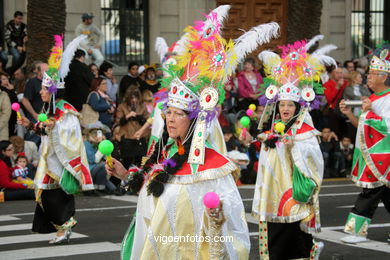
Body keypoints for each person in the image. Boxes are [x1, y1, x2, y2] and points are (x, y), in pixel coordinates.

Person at [106, 5, 280, 259]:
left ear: (194, 120)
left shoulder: (212, 169)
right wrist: (125, 175)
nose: (170, 119)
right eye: (169, 113)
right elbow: (154, 196)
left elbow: (232, 225)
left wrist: (216, 219)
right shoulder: (166, 153)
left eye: (178, 114)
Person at [252, 36, 336, 259]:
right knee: (276, 237)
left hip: (292, 195)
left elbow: (314, 158)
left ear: (298, 106)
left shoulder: (304, 130)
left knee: (293, 236)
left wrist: (293, 147)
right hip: (273, 193)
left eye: (290, 104)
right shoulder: (274, 128)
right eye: (282, 104)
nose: (285, 108)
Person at [18, 35, 94, 244]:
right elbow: (47, 130)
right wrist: (33, 125)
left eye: (44, 89)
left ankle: (64, 227)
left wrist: (52, 127)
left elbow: (69, 135)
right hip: (49, 159)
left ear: (52, 92)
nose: (40, 92)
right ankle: (63, 227)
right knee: (45, 194)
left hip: (58, 162)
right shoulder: (50, 109)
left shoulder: (66, 111)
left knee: (52, 194)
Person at [339, 45, 390, 244]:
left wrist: (368, 113)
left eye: (372, 74)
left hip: (383, 156)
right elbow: (362, 125)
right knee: (386, 194)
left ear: (383, 77)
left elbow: (386, 127)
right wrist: (349, 113)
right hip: (371, 154)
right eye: (368, 74)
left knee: (369, 193)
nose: (367, 77)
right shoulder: (372, 98)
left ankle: (355, 231)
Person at [115, 86, 150, 168]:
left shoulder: (142, 106)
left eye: (136, 98)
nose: (134, 100)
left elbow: (147, 121)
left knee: (141, 162)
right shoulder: (122, 106)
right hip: (127, 137)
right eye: (132, 98)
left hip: (140, 138)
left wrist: (140, 118)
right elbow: (119, 122)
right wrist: (128, 116)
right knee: (126, 162)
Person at [83, 123, 116, 194]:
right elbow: (94, 160)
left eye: (98, 133)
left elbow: (106, 158)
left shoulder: (98, 144)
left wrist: (103, 144)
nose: (96, 136)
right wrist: (101, 148)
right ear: (89, 135)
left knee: (113, 189)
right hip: (89, 170)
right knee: (103, 165)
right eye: (94, 133)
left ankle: (101, 187)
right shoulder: (86, 144)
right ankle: (98, 189)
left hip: (98, 170)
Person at [0, 72, 18, 136]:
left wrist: (12, 90)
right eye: (4, 79)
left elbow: (15, 102)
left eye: (7, 78)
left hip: (12, 117)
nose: (6, 80)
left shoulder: (9, 89)